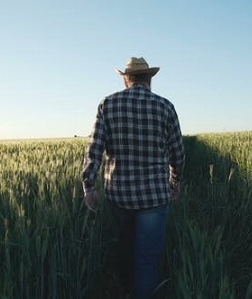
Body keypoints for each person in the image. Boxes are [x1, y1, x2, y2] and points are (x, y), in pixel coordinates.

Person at [81, 57, 185, 299]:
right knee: (147, 258)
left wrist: (88, 186)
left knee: (125, 249)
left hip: (120, 196)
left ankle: (125, 291)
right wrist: (175, 180)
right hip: (155, 197)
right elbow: (177, 152)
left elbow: (94, 148)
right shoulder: (165, 106)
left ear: (126, 79)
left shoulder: (108, 104)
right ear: (149, 79)